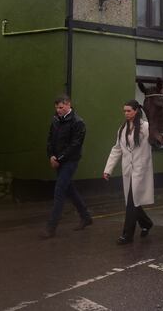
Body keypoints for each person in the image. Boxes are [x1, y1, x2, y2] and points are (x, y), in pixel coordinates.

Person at [103, 100, 155, 245]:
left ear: (136, 111)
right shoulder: (122, 129)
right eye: (124, 111)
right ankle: (146, 223)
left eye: (129, 111)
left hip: (141, 169)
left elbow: (156, 138)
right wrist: (108, 169)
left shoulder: (145, 127)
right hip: (128, 170)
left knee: (131, 202)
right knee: (133, 201)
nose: (126, 113)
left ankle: (127, 235)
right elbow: (117, 149)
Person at [41, 95, 92, 239]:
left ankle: (51, 227)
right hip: (57, 160)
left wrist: (60, 158)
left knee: (59, 191)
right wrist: (51, 155)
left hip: (70, 161)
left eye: (61, 107)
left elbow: (75, 145)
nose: (58, 110)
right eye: (57, 108)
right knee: (69, 189)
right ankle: (86, 217)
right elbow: (50, 139)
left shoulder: (78, 122)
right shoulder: (56, 120)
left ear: (68, 105)